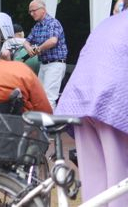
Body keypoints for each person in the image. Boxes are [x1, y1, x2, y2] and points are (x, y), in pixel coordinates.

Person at [55, 11, 128, 207]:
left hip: (80, 99)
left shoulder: (108, 23)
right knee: (120, 180)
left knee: (93, 179)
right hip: (113, 102)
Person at [23, 0, 68, 109]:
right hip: (44, 64)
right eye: (30, 11)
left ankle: (50, 120)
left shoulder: (53, 23)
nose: (31, 14)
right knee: (39, 97)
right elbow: (26, 42)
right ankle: (43, 119)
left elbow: (53, 41)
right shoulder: (37, 26)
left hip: (55, 64)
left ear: (43, 9)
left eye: (34, 10)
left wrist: (39, 49)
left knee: (49, 98)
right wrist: (29, 48)